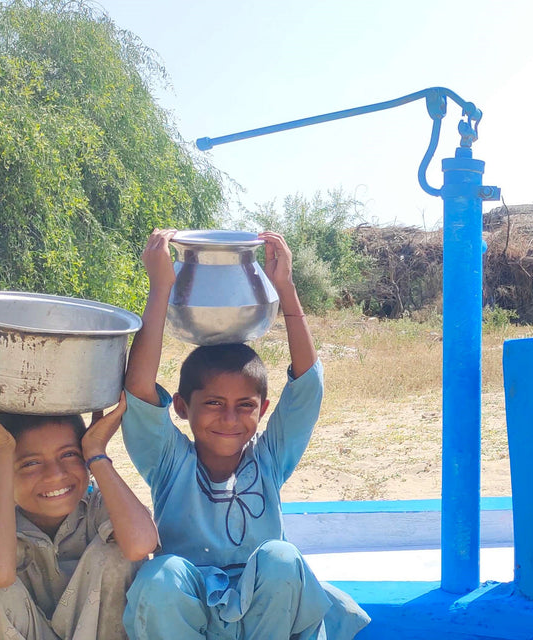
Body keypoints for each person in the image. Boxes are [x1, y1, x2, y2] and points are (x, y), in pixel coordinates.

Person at [120, 229, 369, 640]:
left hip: (265, 615)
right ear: (182, 407)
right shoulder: (168, 463)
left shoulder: (268, 459)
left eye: (245, 406)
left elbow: (307, 389)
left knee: (281, 558)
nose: (230, 418)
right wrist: (161, 287)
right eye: (214, 403)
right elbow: (138, 392)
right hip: (192, 611)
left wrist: (285, 289)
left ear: (263, 411)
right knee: (161, 575)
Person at [0, 386, 158, 640]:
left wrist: (96, 452)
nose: (55, 474)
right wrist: (0, 451)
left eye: (69, 455)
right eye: (31, 463)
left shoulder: (101, 508)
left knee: (119, 551)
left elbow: (141, 544)